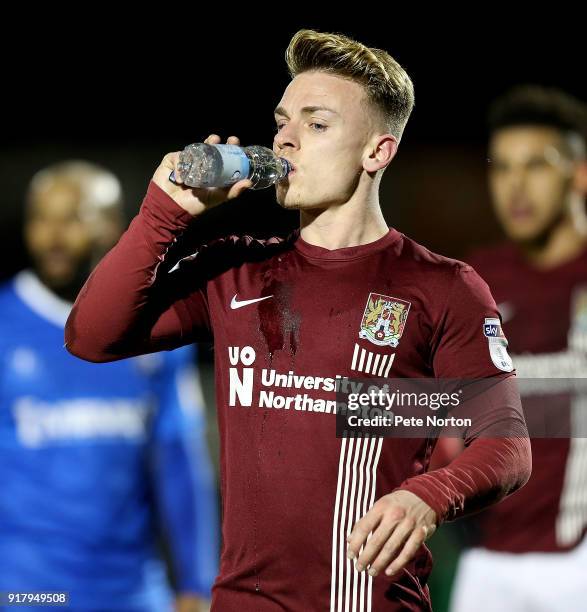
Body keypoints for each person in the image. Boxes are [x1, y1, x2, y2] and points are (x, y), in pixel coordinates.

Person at [65, 31, 531, 611]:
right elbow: (90, 336)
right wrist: (163, 214)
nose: (284, 139)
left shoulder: (442, 287)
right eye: (282, 121)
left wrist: (428, 497)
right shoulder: (235, 269)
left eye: (316, 124)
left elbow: (507, 443)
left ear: (377, 152)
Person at [0, 161, 219, 612]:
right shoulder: (4, 324)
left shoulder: (154, 331)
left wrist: (197, 583)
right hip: (27, 589)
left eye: (74, 217)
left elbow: (180, 462)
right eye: (42, 218)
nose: (54, 235)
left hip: (134, 589)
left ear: (113, 226)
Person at [448, 86, 587, 612]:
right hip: (488, 564)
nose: (516, 186)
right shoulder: (471, 281)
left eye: (536, 166)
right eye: (502, 167)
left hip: (578, 563)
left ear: (579, 174)